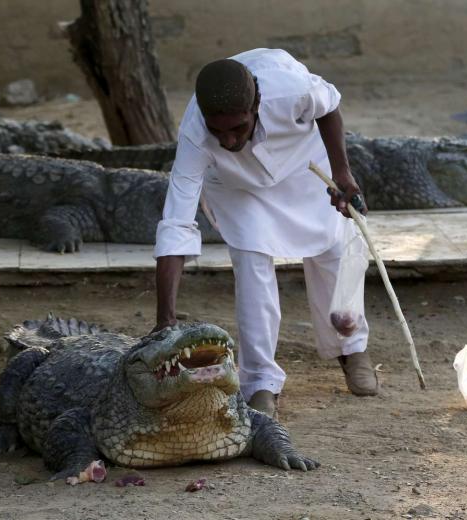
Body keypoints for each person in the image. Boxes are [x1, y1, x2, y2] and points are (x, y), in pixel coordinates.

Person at [152, 48, 377, 418]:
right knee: (251, 261)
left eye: (238, 128)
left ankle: (351, 347)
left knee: (334, 250)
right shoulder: (195, 132)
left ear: (257, 104)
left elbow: (330, 107)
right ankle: (260, 382)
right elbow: (176, 223)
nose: (227, 141)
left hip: (305, 165)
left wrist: (342, 172)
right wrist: (165, 319)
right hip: (238, 187)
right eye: (217, 131)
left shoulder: (291, 89)